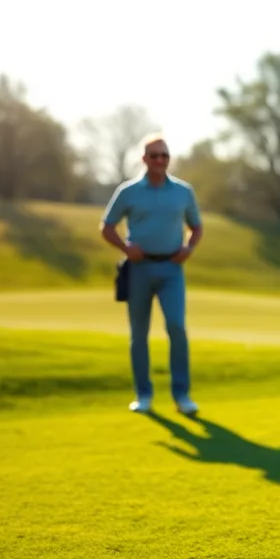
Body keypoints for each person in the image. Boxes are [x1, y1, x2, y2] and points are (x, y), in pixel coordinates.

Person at [100, 134, 204, 416]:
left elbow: (197, 226)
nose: (160, 160)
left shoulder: (183, 191)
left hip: (172, 268)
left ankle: (182, 395)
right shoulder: (129, 191)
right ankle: (143, 395)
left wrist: (189, 248)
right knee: (139, 334)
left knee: (176, 327)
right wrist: (124, 247)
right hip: (139, 269)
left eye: (165, 155)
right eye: (154, 155)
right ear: (144, 159)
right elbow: (107, 227)